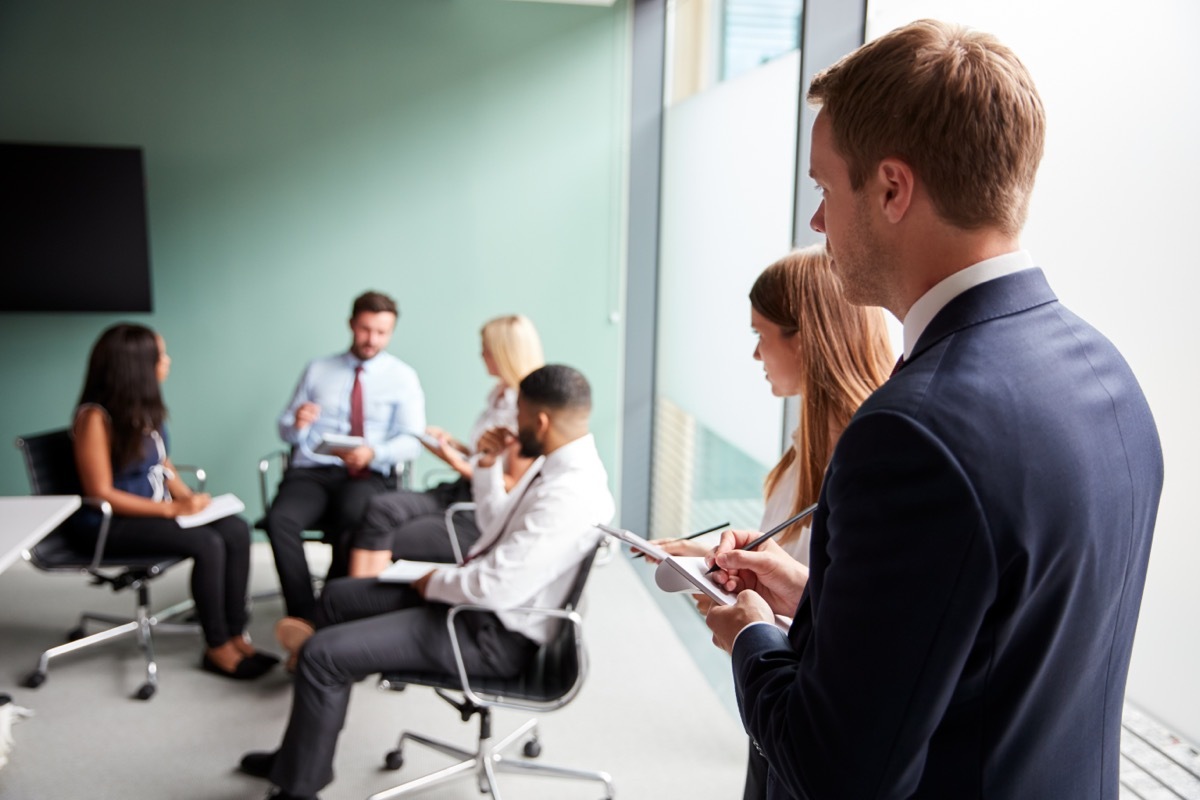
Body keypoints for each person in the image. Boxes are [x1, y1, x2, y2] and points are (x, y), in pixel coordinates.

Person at [702, 20, 1163, 799]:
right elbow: (995, 644)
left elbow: (836, 769)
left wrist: (751, 633)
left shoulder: (911, 432)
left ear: (890, 188)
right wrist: (818, 604)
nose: (817, 225)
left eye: (823, 189)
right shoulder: (1109, 376)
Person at [239, 365, 614, 800]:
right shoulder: (558, 466)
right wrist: (489, 468)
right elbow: (494, 529)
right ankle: (298, 756)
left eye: (521, 416)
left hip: (489, 633)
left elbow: (494, 587)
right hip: (482, 607)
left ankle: (297, 787)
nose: (515, 425)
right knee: (338, 598)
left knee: (323, 655)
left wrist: (432, 581)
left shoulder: (569, 492)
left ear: (541, 421)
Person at [652, 245, 891, 799]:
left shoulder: (873, 463)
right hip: (778, 702)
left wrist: (752, 630)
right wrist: (716, 563)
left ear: (804, 339)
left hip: (808, 714)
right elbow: (798, 558)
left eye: (762, 335)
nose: (756, 355)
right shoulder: (805, 448)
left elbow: (861, 632)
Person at [71, 323, 275, 680]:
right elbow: (101, 493)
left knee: (236, 529)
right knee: (208, 543)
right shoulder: (95, 418)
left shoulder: (144, 411)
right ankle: (217, 647)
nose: (168, 361)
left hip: (152, 514)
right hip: (108, 524)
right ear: (136, 366)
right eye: (161, 355)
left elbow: (161, 463)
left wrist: (186, 496)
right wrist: (172, 509)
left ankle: (235, 632)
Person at [263, 290, 425, 624]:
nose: (372, 339)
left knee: (356, 517)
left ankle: (332, 614)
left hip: (369, 473)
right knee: (280, 520)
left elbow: (413, 441)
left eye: (381, 332)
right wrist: (297, 423)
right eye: (365, 330)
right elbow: (285, 429)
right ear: (352, 324)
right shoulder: (318, 369)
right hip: (314, 472)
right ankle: (304, 617)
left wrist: (374, 453)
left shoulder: (403, 377)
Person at [346, 314, 544, 577]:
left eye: (486, 348)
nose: (481, 354)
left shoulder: (524, 410)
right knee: (377, 509)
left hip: (478, 510)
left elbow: (511, 482)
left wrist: (455, 462)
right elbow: (486, 455)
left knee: (376, 532)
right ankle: (342, 603)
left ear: (503, 352)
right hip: (458, 490)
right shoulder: (498, 395)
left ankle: (352, 605)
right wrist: (453, 445)